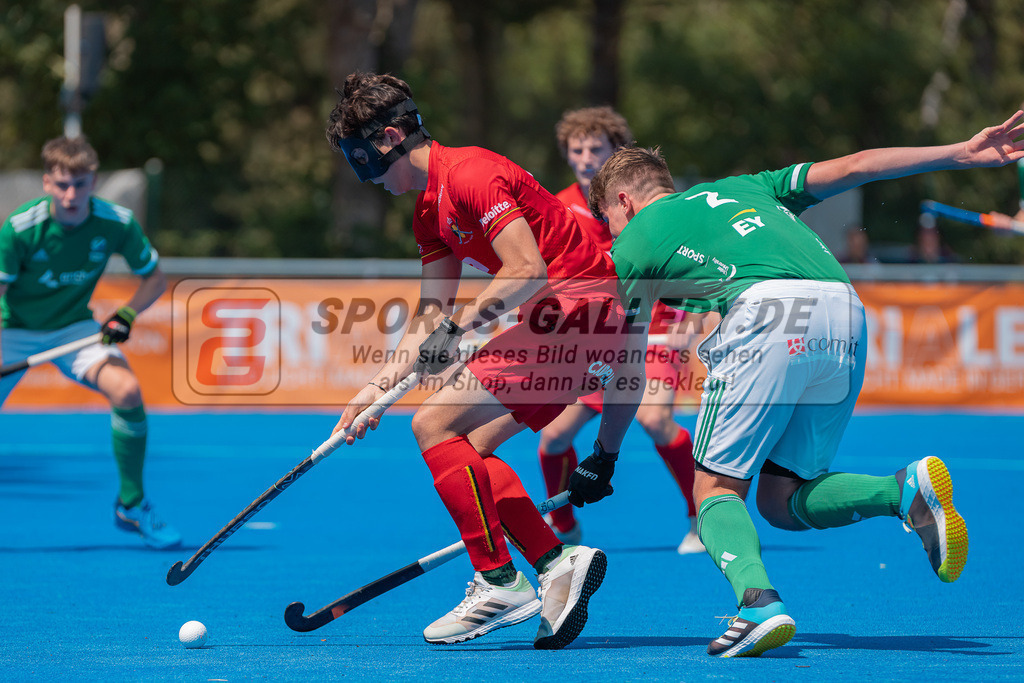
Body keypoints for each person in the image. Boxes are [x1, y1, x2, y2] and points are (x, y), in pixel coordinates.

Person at [568, 109, 1024, 657]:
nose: (614, 235)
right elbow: (856, 166)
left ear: (624, 202)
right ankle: (901, 491)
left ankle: (758, 605)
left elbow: (628, 368)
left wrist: (605, 453)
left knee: (715, 490)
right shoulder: (746, 187)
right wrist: (959, 153)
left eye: (611, 221)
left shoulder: (634, 242)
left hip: (765, 315)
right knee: (781, 500)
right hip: (844, 308)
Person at [326, 72, 631, 650]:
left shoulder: (471, 173)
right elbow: (427, 317)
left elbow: (526, 270)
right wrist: (375, 388)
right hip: (567, 323)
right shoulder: (427, 213)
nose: (363, 176)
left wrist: (457, 328)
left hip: (576, 310)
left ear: (390, 137)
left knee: (433, 424)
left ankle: (498, 579)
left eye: (362, 158)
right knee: (470, 449)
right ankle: (552, 561)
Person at [0, 136, 181, 549]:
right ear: (47, 182)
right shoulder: (19, 229)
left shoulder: (115, 222)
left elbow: (154, 279)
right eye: (62, 184)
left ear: (93, 181)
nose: (71, 195)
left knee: (128, 390)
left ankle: (131, 505)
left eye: (80, 185)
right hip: (13, 332)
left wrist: (127, 313)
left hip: (75, 331)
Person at [538, 106, 703, 554]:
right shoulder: (557, 208)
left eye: (597, 148)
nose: (587, 157)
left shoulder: (650, 205)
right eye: (578, 149)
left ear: (617, 155)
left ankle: (700, 516)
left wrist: (690, 319)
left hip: (652, 331)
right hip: (598, 339)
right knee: (552, 438)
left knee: (654, 418)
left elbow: (687, 262)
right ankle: (563, 525)